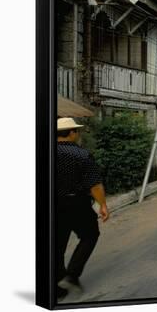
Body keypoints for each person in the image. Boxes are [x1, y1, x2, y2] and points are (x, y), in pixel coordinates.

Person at [56, 118, 109, 300]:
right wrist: (102, 205)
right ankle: (71, 275)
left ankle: (57, 288)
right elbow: (94, 185)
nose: (77, 135)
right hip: (77, 203)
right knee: (90, 235)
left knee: (56, 245)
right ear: (71, 133)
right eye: (76, 131)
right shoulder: (82, 155)